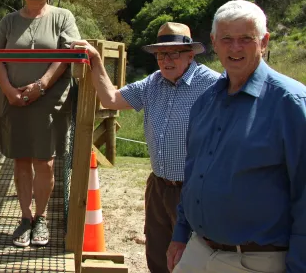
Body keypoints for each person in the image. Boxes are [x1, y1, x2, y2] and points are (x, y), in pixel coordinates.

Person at [167, 0, 306, 273]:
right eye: (227, 39)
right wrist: (181, 234)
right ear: (214, 42)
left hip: (255, 260)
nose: (235, 48)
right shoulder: (206, 101)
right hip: (198, 250)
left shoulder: (291, 103)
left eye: (246, 39)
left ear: (264, 41)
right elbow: (194, 173)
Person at [73, 22, 219, 273]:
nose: (166, 60)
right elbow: (111, 99)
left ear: (190, 54)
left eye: (174, 53)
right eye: (161, 54)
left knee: (195, 259)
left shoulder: (213, 85)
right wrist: (95, 61)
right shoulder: (153, 83)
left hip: (195, 189)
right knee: (158, 255)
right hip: (158, 187)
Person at [0, 0, 80, 248]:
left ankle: (41, 218)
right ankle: (25, 218)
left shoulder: (63, 16)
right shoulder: (8, 21)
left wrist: (41, 86)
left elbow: (67, 55)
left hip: (49, 102)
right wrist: (7, 90)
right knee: (21, 160)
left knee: (45, 162)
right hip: (14, 99)